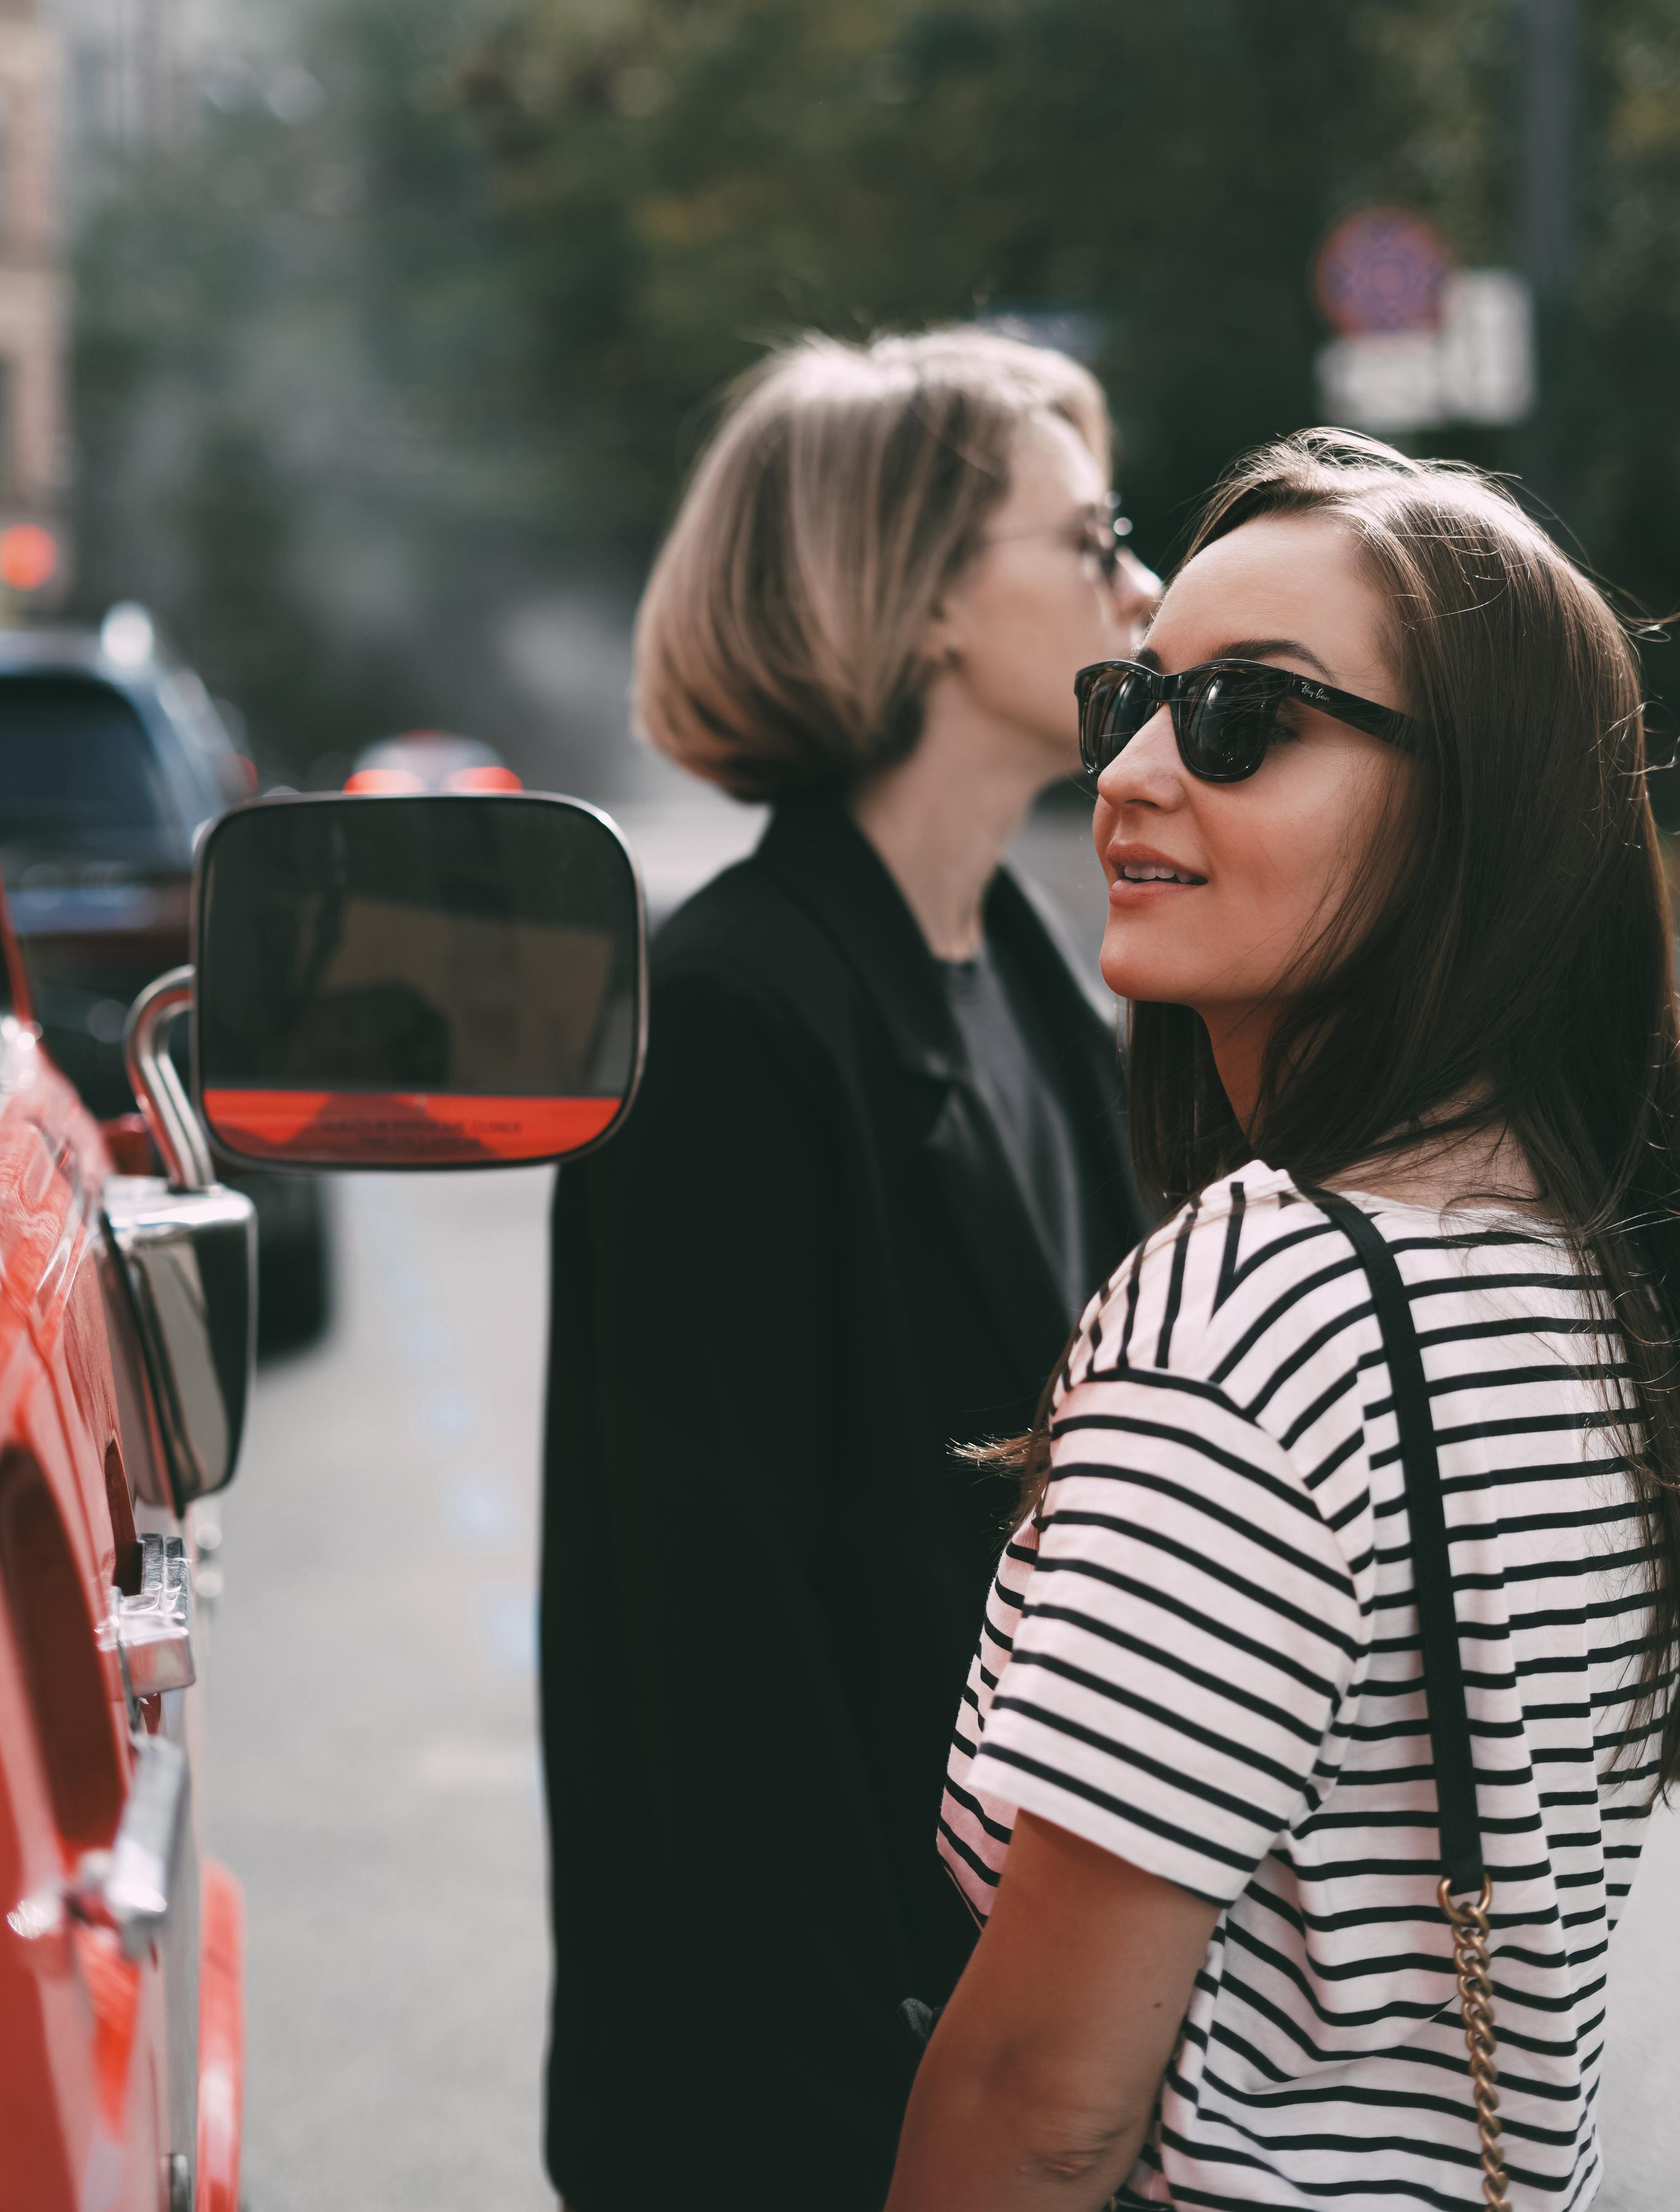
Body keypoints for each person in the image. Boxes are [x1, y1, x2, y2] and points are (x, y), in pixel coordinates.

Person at [887, 429, 1680, 2212]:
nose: (1132, 773)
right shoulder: (1579, 1276)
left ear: (1472, 814)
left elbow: (1046, 2100)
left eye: (1244, 716)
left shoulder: (1264, 1304)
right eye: (1130, 702)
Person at [539, 327, 1159, 2212]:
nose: (1145, 592)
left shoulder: (1034, 972)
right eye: (1095, 538)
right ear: (921, 599)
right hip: (824, 2100)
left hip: (1011, 2041)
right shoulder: (731, 1018)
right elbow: (720, 1682)